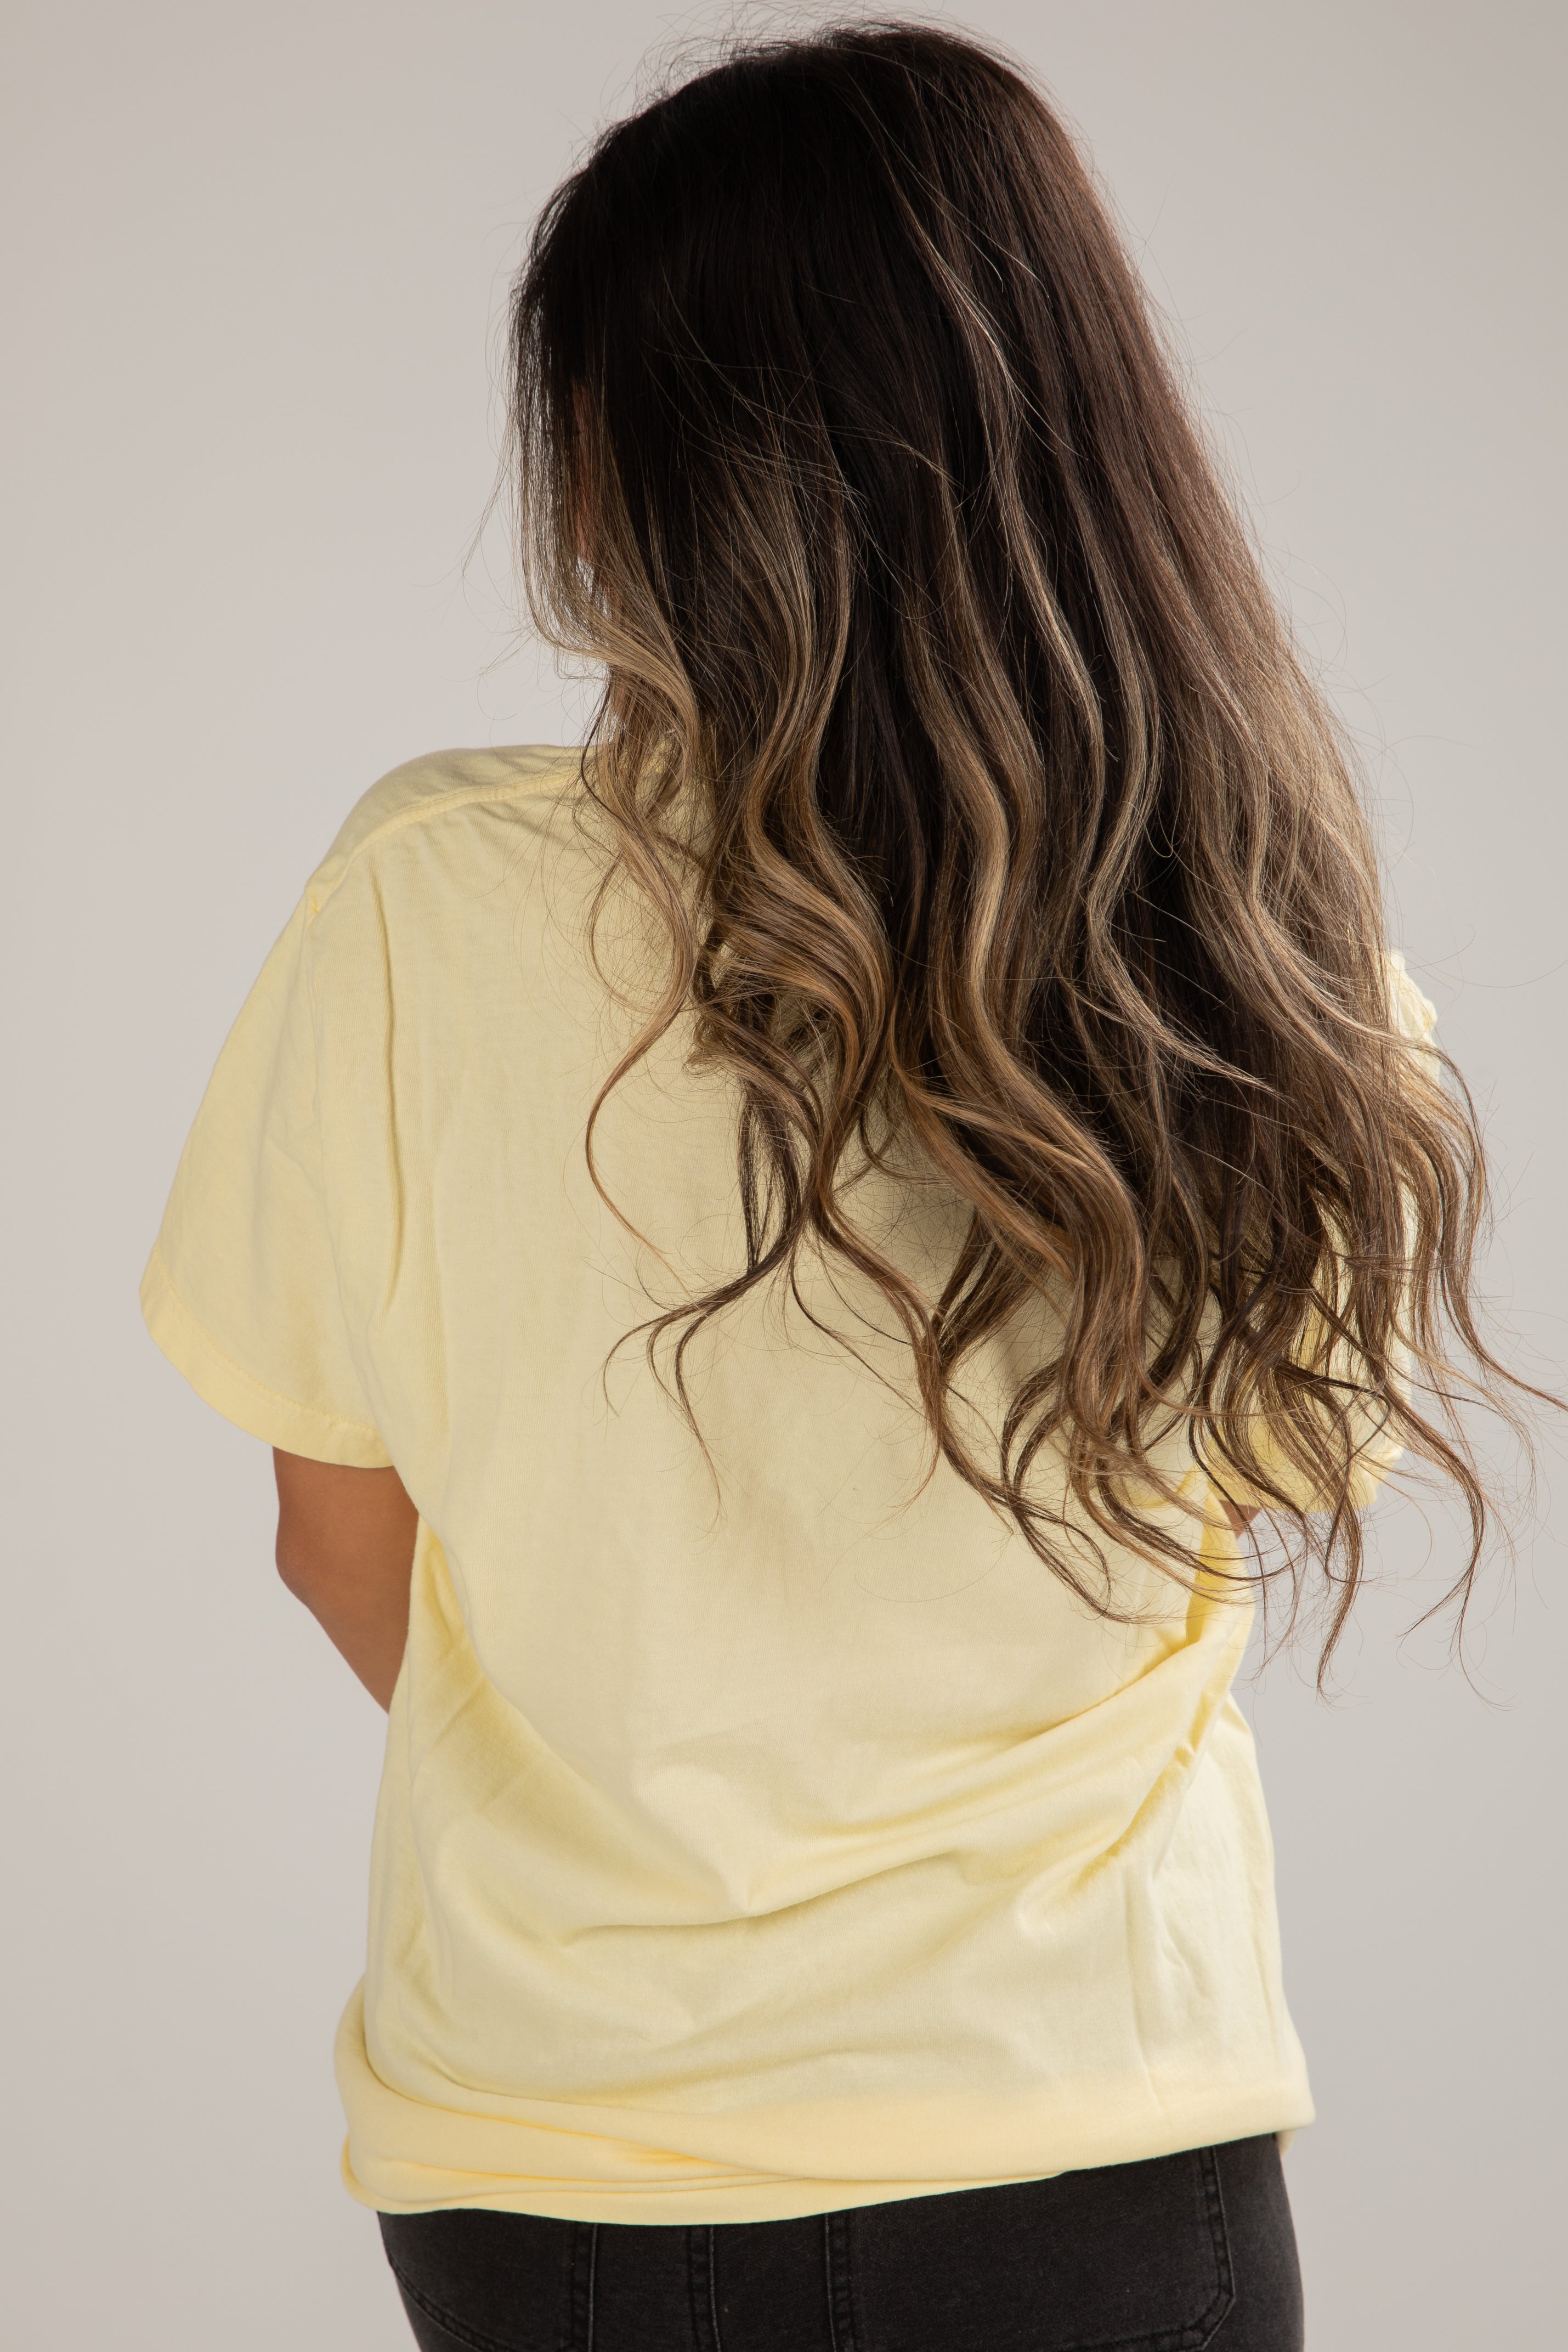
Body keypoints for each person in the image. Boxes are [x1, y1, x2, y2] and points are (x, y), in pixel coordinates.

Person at [141, 22, 1524, 2350]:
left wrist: (640, 1779)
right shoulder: (1274, 968)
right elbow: (1268, 1481)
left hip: (564, 2152)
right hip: (1100, 2128)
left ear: (632, 465)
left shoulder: (428, 898)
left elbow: (328, 1527)